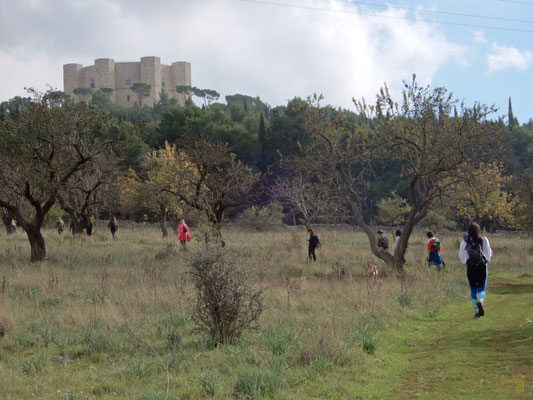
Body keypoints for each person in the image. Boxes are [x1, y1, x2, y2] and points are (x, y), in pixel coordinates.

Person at [459, 223, 493, 318]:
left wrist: (466, 262)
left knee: (473, 289)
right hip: (482, 266)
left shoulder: (465, 242)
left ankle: (477, 311)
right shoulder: (483, 240)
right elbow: (488, 252)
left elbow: (462, 256)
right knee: (481, 288)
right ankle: (480, 301)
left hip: (470, 267)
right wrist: (486, 261)